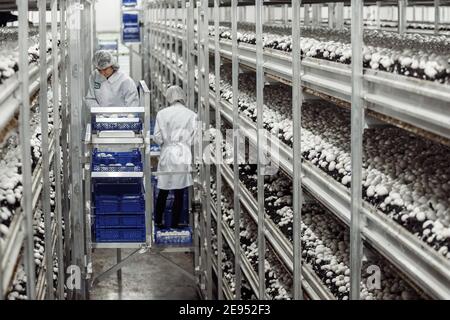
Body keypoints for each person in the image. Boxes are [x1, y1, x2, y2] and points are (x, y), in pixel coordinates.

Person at [153, 85, 198, 229]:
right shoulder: (192, 115)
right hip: (183, 153)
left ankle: (159, 222)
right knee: (180, 190)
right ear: (182, 96)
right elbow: (194, 138)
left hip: (167, 152)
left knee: (164, 188)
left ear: (169, 97)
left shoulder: (162, 113)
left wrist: (165, 143)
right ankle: (175, 223)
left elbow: (157, 137)